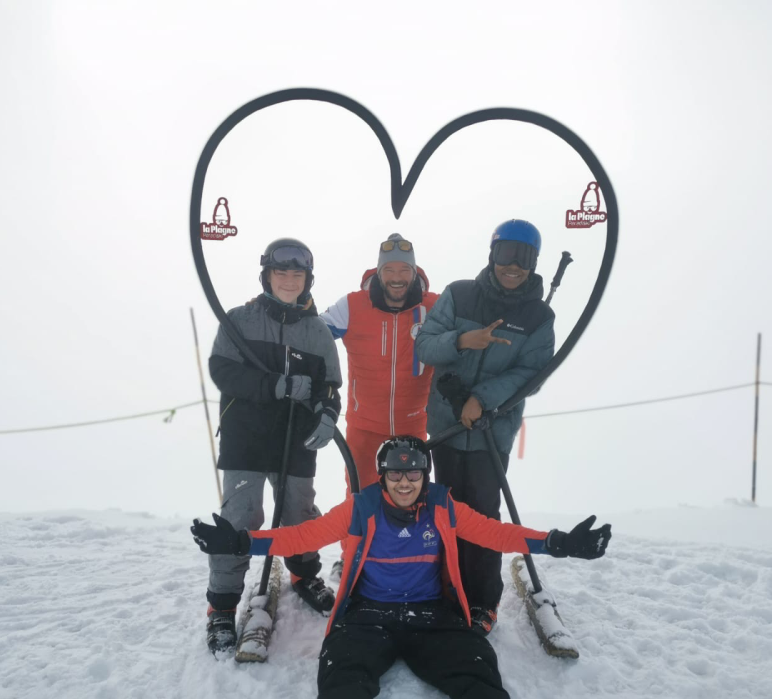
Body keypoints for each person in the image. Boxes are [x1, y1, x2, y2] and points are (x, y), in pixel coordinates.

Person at [191, 435, 611, 699]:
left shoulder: (443, 506)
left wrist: (557, 542)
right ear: (383, 475)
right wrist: (242, 542)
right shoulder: (361, 507)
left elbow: (495, 533)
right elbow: (301, 536)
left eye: (414, 473)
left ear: (425, 476)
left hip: (432, 616)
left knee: (476, 666)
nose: (405, 481)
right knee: (343, 671)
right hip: (367, 615)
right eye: (396, 473)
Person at [414, 219, 555, 637]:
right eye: (506, 254)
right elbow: (425, 344)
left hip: (492, 431)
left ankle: (481, 600)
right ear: (492, 255)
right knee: (445, 509)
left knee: (483, 512)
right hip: (445, 424)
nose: (513, 266)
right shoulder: (460, 294)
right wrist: (463, 340)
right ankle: (444, 587)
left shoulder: (538, 316)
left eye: (523, 258)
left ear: (533, 263)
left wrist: (485, 398)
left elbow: (533, 372)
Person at [205, 237, 342, 654]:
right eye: (280, 272)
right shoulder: (239, 319)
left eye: (297, 274)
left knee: (298, 514)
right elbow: (221, 370)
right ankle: (223, 608)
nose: (288, 280)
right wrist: (275, 385)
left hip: (296, 441)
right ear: (266, 275)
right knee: (240, 517)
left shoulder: (317, 332)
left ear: (307, 279)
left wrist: (327, 415)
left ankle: (304, 575)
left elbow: (330, 386)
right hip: (246, 437)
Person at [319, 232, 439, 579]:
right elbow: (314, 334)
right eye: (391, 270)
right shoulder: (353, 305)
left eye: (405, 269)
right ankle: (351, 555)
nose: (398, 277)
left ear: (414, 272)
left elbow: (464, 334)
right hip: (364, 423)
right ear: (380, 271)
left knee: (409, 493)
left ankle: (407, 556)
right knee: (359, 493)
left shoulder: (433, 306)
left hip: (413, 423)